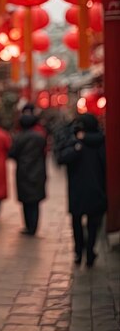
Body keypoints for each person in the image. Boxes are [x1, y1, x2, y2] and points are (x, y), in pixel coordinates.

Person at [57, 113, 107, 267]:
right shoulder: (102, 142)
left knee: (77, 222)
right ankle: (90, 250)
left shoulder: (75, 142)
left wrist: (76, 146)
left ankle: (79, 251)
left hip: (77, 189)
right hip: (97, 188)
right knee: (94, 223)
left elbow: (61, 158)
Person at [8, 114, 47, 236]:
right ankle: (33, 226)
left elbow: (12, 153)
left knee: (25, 200)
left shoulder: (18, 137)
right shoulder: (40, 137)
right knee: (35, 201)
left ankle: (28, 225)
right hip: (38, 170)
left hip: (23, 170)